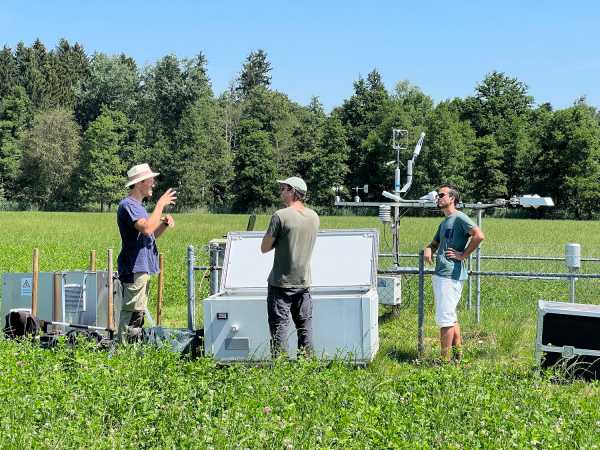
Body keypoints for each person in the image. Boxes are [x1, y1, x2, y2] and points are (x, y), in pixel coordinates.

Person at [423, 183, 485, 362]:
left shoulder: (459, 217)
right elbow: (434, 243)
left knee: (445, 319)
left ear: (452, 199)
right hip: (442, 274)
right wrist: (429, 249)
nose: (438, 197)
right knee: (450, 316)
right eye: (438, 195)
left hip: (450, 275)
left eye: (441, 195)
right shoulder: (444, 222)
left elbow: (479, 235)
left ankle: (445, 361)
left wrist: (463, 254)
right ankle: (458, 356)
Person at [116, 163, 177, 342]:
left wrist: (163, 224)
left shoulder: (138, 207)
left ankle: (130, 351)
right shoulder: (128, 205)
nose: (153, 184)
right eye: (151, 180)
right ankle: (123, 353)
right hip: (135, 269)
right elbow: (147, 228)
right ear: (141, 182)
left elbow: (149, 235)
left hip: (141, 268)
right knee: (132, 314)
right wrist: (160, 205)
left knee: (138, 313)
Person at [261, 176, 320, 356]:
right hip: (303, 283)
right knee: (305, 329)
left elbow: (264, 248)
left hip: (281, 283)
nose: (281, 192)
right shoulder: (314, 216)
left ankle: (280, 370)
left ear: (292, 191)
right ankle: (307, 366)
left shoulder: (280, 216)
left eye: (283, 188)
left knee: (280, 330)